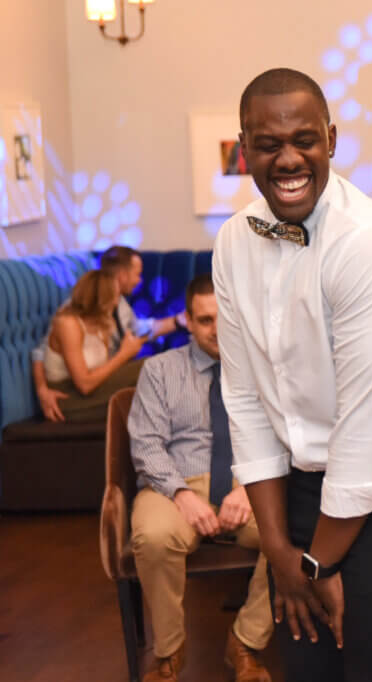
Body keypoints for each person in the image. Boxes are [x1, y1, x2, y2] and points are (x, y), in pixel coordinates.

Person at [212, 68, 372, 682]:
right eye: (268, 144)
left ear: (331, 139)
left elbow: (366, 429)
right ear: (244, 148)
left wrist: (315, 566)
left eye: (303, 139)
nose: (288, 158)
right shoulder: (232, 242)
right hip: (303, 489)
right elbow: (245, 399)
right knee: (309, 669)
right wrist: (280, 553)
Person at [128, 274, 273, 682]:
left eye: (223, 318)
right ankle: (169, 655)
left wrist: (248, 486)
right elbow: (147, 445)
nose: (216, 330)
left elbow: (283, 437)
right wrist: (180, 494)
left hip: (250, 483)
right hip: (177, 481)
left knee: (297, 535)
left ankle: (245, 642)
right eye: (205, 320)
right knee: (153, 536)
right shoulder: (158, 371)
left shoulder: (264, 370)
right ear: (188, 321)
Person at [33, 245, 184, 422]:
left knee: (157, 372)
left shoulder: (108, 315)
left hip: (99, 384)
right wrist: (42, 390)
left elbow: (139, 330)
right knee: (150, 367)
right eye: (137, 274)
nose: (139, 280)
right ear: (120, 276)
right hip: (69, 395)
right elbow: (40, 353)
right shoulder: (71, 317)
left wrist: (179, 321)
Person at [40, 269, 146, 423]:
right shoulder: (68, 323)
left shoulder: (102, 323)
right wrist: (123, 355)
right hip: (67, 399)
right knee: (148, 366)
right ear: (102, 299)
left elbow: (102, 372)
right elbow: (84, 385)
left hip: (95, 391)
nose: (117, 302)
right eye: (115, 296)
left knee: (154, 370)